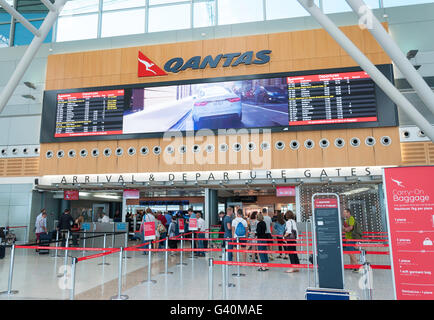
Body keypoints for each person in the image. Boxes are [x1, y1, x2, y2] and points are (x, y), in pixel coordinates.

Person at [342, 208, 359, 272]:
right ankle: (351, 265)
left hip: (351, 238)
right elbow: (344, 228)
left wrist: (346, 229)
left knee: (350, 252)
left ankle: (357, 266)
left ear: (348, 212)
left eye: (345, 212)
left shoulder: (351, 218)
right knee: (350, 251)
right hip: (348, 238)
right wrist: (345, 229)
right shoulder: (347, 220)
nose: (343, 213)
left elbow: (350, 228)